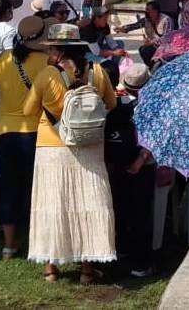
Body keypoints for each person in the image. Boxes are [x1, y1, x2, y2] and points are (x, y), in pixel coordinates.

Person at [25, 24, 118, 284]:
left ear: (56, 51)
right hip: (89, 147)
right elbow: (110, 104)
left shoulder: (47, 75)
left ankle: (50, 268)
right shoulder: (97, 72)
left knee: (53, 204)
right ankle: (87, 269)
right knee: (87, 204)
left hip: (52, 146)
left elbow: (29, 110)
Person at [0, 15, 50, 259]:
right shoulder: (49, 61)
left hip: (5, 132)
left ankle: (8, 245)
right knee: (37, 188)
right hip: (38, 131)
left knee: (9, 187)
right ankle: (39, 242)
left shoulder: (3, 60)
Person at [105, 62, 157, 278]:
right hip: (142, 167)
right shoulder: (152, 107)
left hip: (118, 164)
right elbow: (150, 140)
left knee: (121, 208)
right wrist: (139, 162)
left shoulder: (118, 108)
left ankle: (121, 249)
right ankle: (141, 264)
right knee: (141, 214)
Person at [118, 1, 173, 65]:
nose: (149, 14)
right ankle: (152, 67)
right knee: (143, 49)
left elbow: (167, 37)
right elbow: (135, 25)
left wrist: (152, 42)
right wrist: (123, 29)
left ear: (156, 11)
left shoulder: (166, 20)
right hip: (153, 46)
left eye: (151, 11)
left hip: (164, 46)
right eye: (147, 11)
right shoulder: (147, 20)